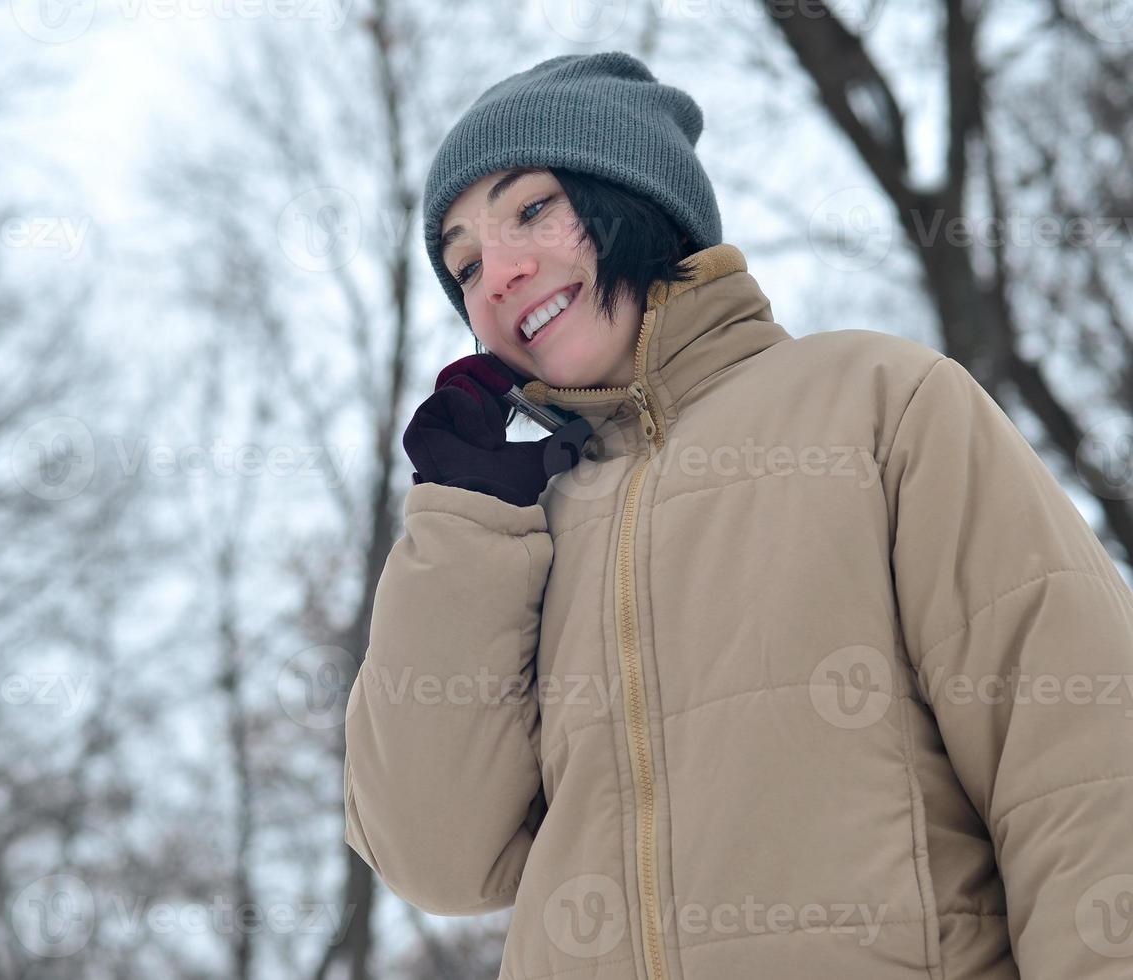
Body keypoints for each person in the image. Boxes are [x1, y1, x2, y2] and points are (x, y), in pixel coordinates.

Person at [342, 51, 1133, 980]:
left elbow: (1084, 771)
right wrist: (465, 520)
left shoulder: (879, 406)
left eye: (532, 210)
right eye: (464, 264)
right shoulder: (519, 532)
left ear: (636, 197)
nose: (499, 275)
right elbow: (435, 859)